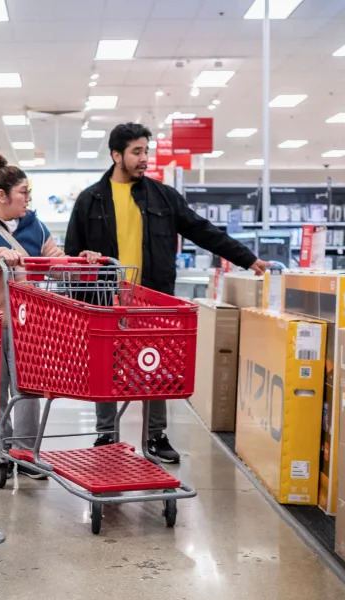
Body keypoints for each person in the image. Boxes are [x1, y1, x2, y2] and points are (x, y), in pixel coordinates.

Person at [65, 122, 270, 463]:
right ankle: (106, 434)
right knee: (105, 366)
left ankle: (156, 436)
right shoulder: (90, 200)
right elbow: (73, 252)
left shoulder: (163, 197)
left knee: (153, 365)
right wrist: (81, 271)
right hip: (106, 300)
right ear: (117, 155)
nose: (145, 158)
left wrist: (248, 259)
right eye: (137, 152)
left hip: (151, 298)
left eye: (147, 151)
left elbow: (203, 231)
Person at [0, 152, 100, 478]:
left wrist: (81, 263)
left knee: (28, 389)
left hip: (25, 323)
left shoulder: (35, 225)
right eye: (23, 192)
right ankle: (5, 451)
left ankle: (27, 453)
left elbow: (57, 265)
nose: (28, 199)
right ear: (2, 196)